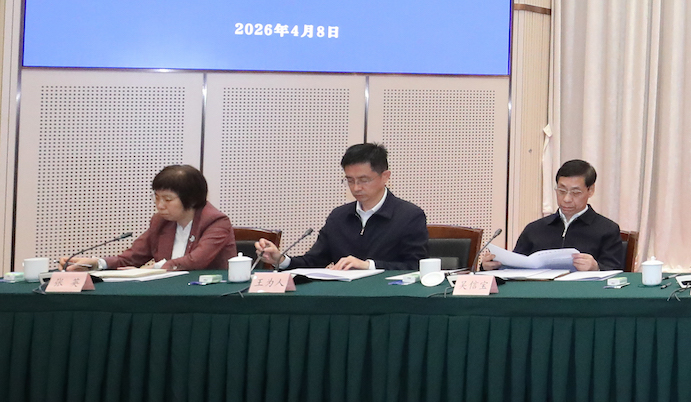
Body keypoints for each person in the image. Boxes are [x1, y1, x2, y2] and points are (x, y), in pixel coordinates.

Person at [256, 142, 430, 272]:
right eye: (350, 180)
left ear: (385, 176)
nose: (356, 188)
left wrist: (368, 266)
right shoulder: (339, 216)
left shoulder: (409, 216)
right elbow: (314, 261)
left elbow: (415, 266)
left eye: (363, 180)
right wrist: (281, 260)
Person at [61, 164, 235, 272]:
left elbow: (196, 261)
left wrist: (153, 269)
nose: (160, 205)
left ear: (192, 199)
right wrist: (98, 263)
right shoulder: (161, 222)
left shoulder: (216, 222)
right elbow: (132, 258)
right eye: (156, 198)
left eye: (167, 199)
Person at [480, 159, 626, 272]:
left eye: (575, 192)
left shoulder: (607, 229)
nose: (567, 199)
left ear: (590, 190)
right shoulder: (535, 229)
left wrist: (596, 268)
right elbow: (514, 265)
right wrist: (491, 266)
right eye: (561, 191)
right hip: (537, 297)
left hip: (582, 298)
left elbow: (617, 273)